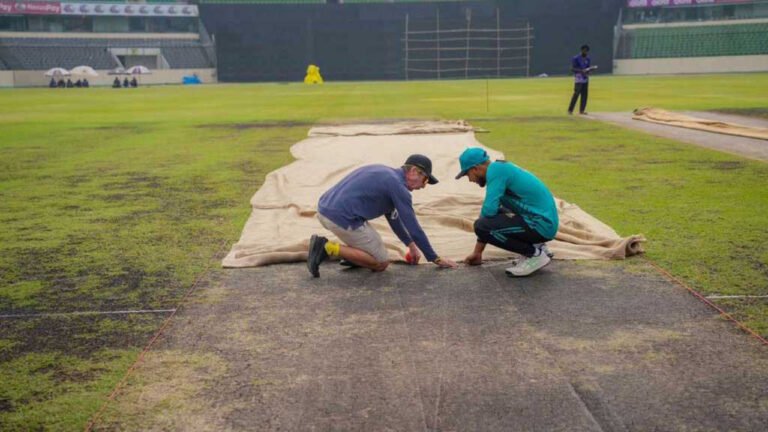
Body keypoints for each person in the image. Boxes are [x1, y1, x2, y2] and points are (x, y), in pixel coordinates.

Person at [307, 154, 459, 277]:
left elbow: (394, 218)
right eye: (425, 180)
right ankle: (326, 247)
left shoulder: (387, 174)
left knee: (374, 247)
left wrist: (411, 246)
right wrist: (435, 258)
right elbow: (414, 228)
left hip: (324, 209)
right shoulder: (398, 187)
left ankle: (356, 257)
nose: (422, 186)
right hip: (341, 218)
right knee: (381, 262)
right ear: (413, 171)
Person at [456, 148, 558, 277]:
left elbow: (488, 212)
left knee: (482, 225)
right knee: (492, 217)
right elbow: (492, 212)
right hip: (542, 221)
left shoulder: (496, 171)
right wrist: (478, 253)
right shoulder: (501, 169)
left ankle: (534, 255)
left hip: (541, 224)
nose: (470, 180)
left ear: (475, 168)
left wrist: (478, 247)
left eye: (467, 174)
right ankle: (539, 247)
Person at [567, 44, 595, 115]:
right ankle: (570, 110)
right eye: (584, 51)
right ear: (582, 50)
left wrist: (590, 70)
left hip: (585, 78)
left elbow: (588, 68)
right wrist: (581, 71)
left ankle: (582, 110)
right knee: (576, 94)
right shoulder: (576, 58)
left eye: (587, 51)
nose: (585, 52)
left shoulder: (588, 59)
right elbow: (572, 69)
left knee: (584, 95)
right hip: (579, 78)